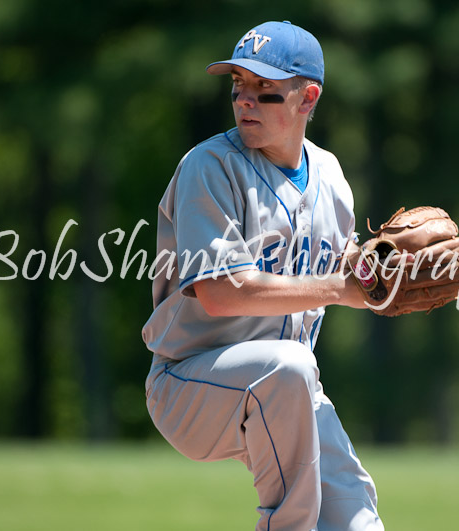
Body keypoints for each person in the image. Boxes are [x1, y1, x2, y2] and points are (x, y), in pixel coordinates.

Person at [142, 21, 383, 530]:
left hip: (287, 393)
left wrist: (382, 273)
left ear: (307, 97)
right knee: (289, 365)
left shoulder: (332, 177)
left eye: (265, 91)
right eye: (238, 87)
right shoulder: (209, 167)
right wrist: (340, 290)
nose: (244, 101)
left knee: (356, 516)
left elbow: (343, 265)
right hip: (190, 383)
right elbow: (220, 291)